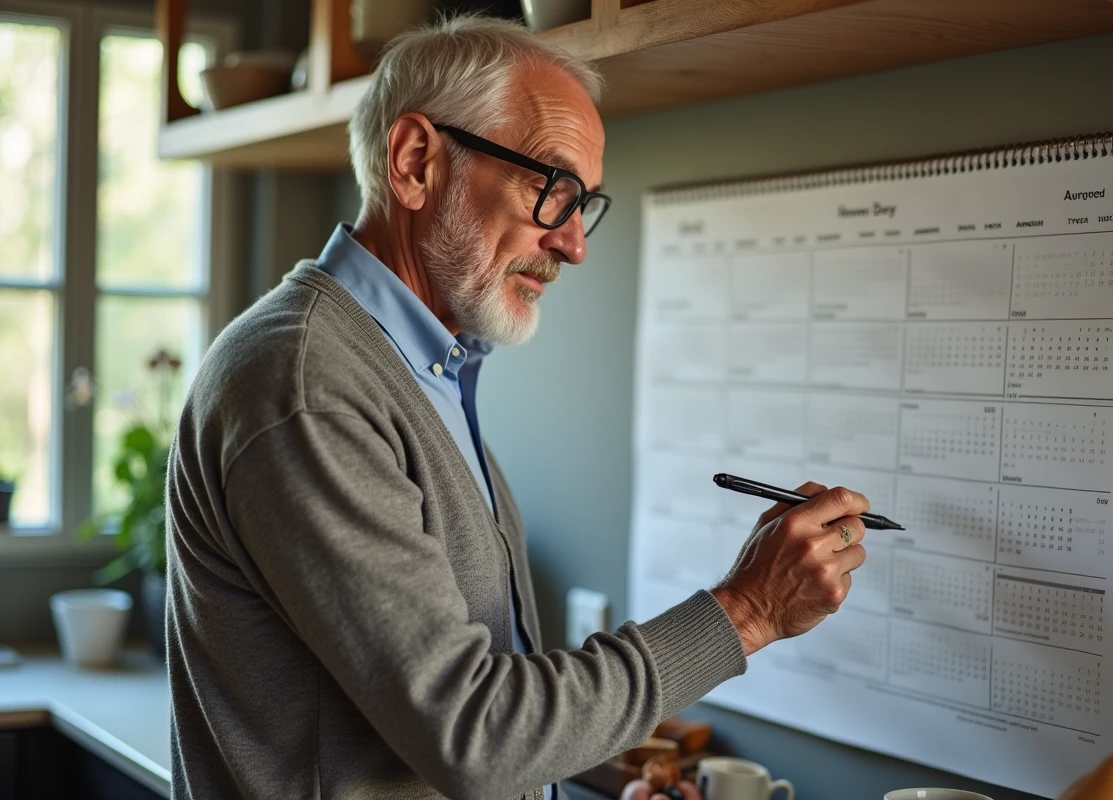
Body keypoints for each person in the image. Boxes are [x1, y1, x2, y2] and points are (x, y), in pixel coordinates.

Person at [164, 15, 870, 800]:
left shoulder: (424, 370)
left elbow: (471, 701)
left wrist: (606, 776)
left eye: (584, 202)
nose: (575, 243)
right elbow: (473, 735)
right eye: (552, 188)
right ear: (414, 163)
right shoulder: (307, 386)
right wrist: (749, 610)